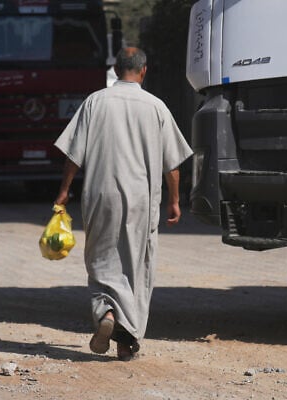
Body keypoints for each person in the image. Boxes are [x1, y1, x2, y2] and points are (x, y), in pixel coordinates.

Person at [53, 47, 193, 361]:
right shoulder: (156, 106)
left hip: (100, 194)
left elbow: (73, 154)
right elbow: (172, 165)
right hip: (142, 198)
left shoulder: (94, 102)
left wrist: (63, 191)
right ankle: (127, 337)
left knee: (102, 260)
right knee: (137, 264)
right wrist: (175, 200)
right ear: (143, 71)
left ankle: (106, 313)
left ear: (116, 70)